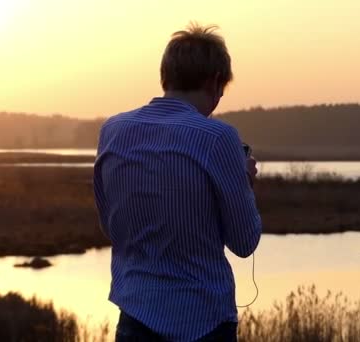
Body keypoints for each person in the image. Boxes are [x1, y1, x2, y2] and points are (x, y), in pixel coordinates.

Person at [93, 23, 262, 341]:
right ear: (214, 82)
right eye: (222, 91)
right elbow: (244, 241)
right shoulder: (218, 137)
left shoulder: (112, 130)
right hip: (204, 322)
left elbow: (111, 227)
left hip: (134, 316)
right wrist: (245, 185)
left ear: (166, 77)